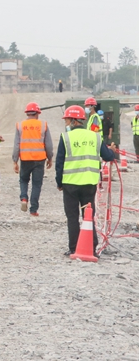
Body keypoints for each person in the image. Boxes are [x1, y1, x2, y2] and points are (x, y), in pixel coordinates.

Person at [55, 105, 117, 257]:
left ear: (74, 121)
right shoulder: (95, 137)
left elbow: (59, 163)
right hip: (89, 184)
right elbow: (108, 156)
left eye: (67, 119)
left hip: (70, 184)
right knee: (88, 216)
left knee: (72, 217)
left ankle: (74, 248)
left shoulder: (66, 137)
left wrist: (59, 183)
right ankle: (91, 248)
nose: (66, 122)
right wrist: (112, 151)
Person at [11, 102, 53, 217]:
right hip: (40, 159)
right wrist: (50, 158)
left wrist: (15, 160)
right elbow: (48, 144)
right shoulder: (43, 125)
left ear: (27, 113)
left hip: (25, 159)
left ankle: (24, 198)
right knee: (37, 184)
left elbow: (16, 145)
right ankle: (33, 210)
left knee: (24, 180)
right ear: (37, 113)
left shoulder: (20, 125)